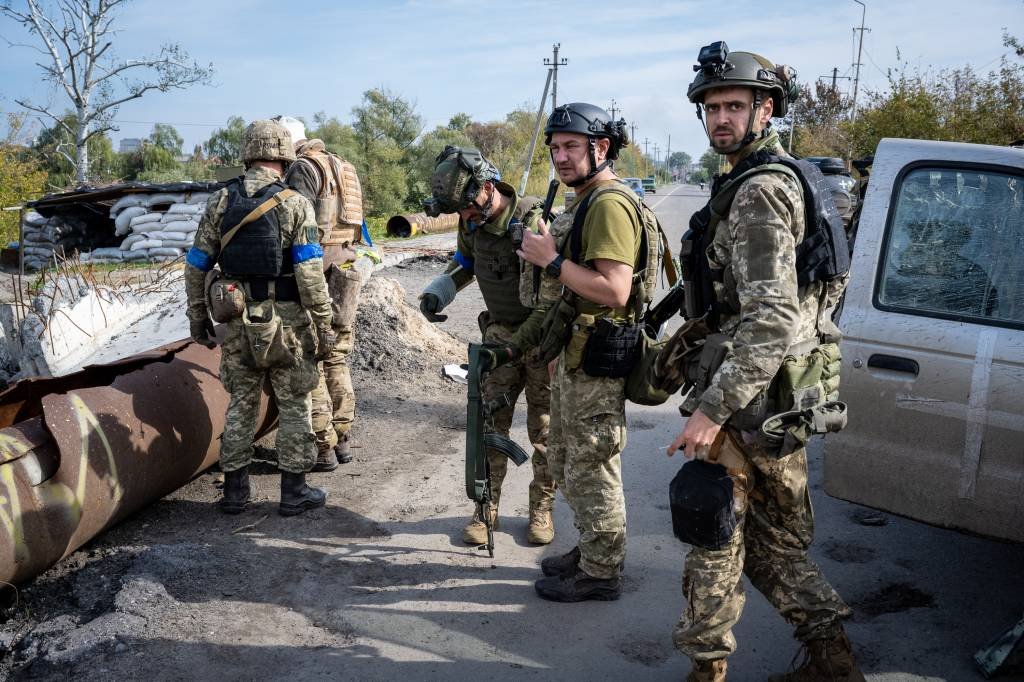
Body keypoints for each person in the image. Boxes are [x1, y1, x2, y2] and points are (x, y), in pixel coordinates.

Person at [666, 43, 863, 681]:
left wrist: (711, 412)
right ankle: (833, 660)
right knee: (775, 545)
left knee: (713, 541)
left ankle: (706, 671)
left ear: (765, 109)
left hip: (747, 402)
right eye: (711, 107)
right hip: (786, 395)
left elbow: (772, 316)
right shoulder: (785, 178)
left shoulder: (758, 193)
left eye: (733, 106)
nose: (720, 118)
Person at [516, 103, 643, 602]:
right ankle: (592, 547)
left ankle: (602, 572)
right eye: (555, 149)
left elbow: (614, 290)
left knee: (593, 467)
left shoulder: (609, 204)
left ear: (601, 148)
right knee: (568, 462)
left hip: (599, 360)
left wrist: (550, 261)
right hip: (576, 354)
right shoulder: (587, 199)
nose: (561, 158)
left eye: (571, 146)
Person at [184, 119, 334, 517]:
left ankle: (234, 493)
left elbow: (197, 264)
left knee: (241, 404)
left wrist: (197, 317)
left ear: (247, 154)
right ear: (284, 156)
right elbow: (310, 275)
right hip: (287, 326)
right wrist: (325, 326)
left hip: (235, 322)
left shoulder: (220, 201)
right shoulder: (295, 204)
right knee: (295, 405)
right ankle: (293, 493)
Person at [418, 145, 555, 546]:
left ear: (489, 187)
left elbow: (558, 281)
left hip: (542, 339)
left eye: (468, 207)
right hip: (497, 337)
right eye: (458, 211)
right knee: (489, 425)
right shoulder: (471, 222)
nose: (465, 217)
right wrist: (440, 291)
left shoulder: (534, 219)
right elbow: (464, 262)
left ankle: (542, 510)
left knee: (544, 431)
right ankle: (485, 507)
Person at [274, 115, 364, 471]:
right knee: (337, 359)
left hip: (317, 274)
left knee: (309, 361)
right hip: (347, 272)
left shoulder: (302, 169)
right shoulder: (344, 167)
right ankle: (342, 439)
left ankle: (322, 447)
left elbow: (296, 225)